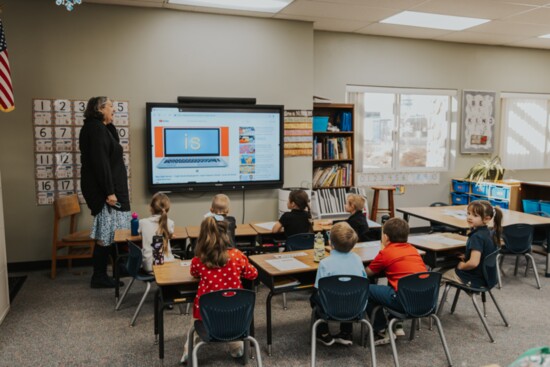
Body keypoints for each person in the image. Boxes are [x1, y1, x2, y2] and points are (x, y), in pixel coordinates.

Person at [181, 216, 258, 364]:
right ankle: (237, 348)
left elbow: (194, 273)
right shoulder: (237, 255)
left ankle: (187, 350)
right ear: (226, 234)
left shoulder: (199, 259)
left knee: (195, 324)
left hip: (207, 315)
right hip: (236, 313)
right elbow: (253, 273)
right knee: (230, 320)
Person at [79, 96, 130, 289]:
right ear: (99, 109)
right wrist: (109, 192)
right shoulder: (94, 129)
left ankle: (119, 266)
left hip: (111, 188)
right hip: (103, 190)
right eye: (110, 106)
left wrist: (110, 125)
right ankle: (98, 276)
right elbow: (101, 163)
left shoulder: (103, 128)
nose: (114, 109)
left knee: (116, 229)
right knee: (106, 231)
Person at [365, 217, 427, 345]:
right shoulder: (413, 250)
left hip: (404, 303)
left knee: (366, 289)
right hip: (426, 301)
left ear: (386, 237)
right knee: (395, 282)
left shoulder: (386, 253)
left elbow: (367, 273)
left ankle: (381, 329)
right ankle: (397, 324)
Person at [311, 222, 367, 346]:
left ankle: (323, 333)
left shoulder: (325, 263)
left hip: (331, 308)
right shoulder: (358, 259)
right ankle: (347, 333)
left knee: (314, 297)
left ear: (330, 243)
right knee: (348, 292)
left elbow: (317, 289)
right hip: (356, 307)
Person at [441, 200, 501, 287]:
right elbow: (483, 254)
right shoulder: (488, 232)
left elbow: (473, 263)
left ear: (486, 219)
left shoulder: (476, 237)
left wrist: (462, 266)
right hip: (487, 278)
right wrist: (467, 256)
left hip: (475, 279)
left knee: (439, 274)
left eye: (475, 215)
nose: (469, 217)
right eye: (468, 213)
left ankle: (429, 299)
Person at [139, 192, 175, 273]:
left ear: (150, 208)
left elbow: (140, 234)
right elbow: (170, 235)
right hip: (167, 264)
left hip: (149, 266)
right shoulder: (170, 223)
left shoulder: (142, 222)